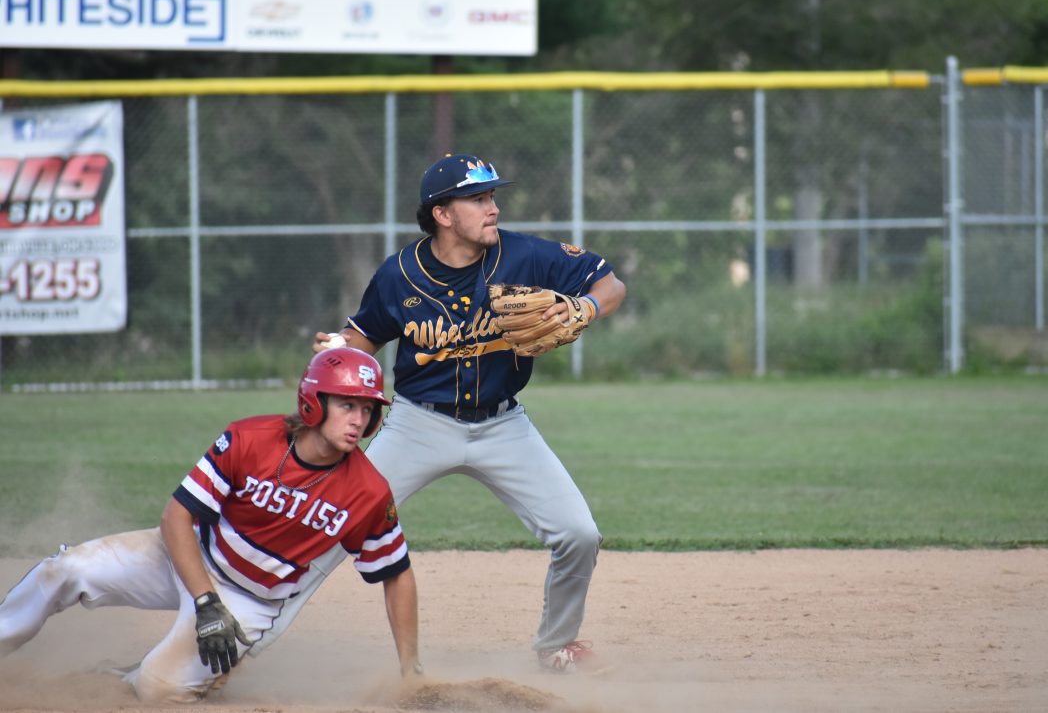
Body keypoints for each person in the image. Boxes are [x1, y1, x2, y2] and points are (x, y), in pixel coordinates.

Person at [312, 152, 627, 673]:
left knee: (579, 534)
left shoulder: (526, 255)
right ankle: (250, 626)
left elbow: (610, 283)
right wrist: (338, 347)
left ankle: (557, 645)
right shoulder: (399, 274)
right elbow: (364, 335)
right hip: (418, 424)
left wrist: (586, 306)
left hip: (503, 424)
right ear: (442, 214)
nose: (492, 208)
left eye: (492, 196)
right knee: (330, 523)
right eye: (477, 199)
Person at [0, 348, 421, 702]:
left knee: (156, 689)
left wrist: (410, 670)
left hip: (247, 601)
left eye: (367, 409)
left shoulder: (368, 492)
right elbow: (176, 516)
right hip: (187, 556)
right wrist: (205, 601)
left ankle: (122, 678)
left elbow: (396, 573)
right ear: (315, 401)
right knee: (64, 570)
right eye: (348, 405)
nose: (359, 420)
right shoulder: (251, 438)